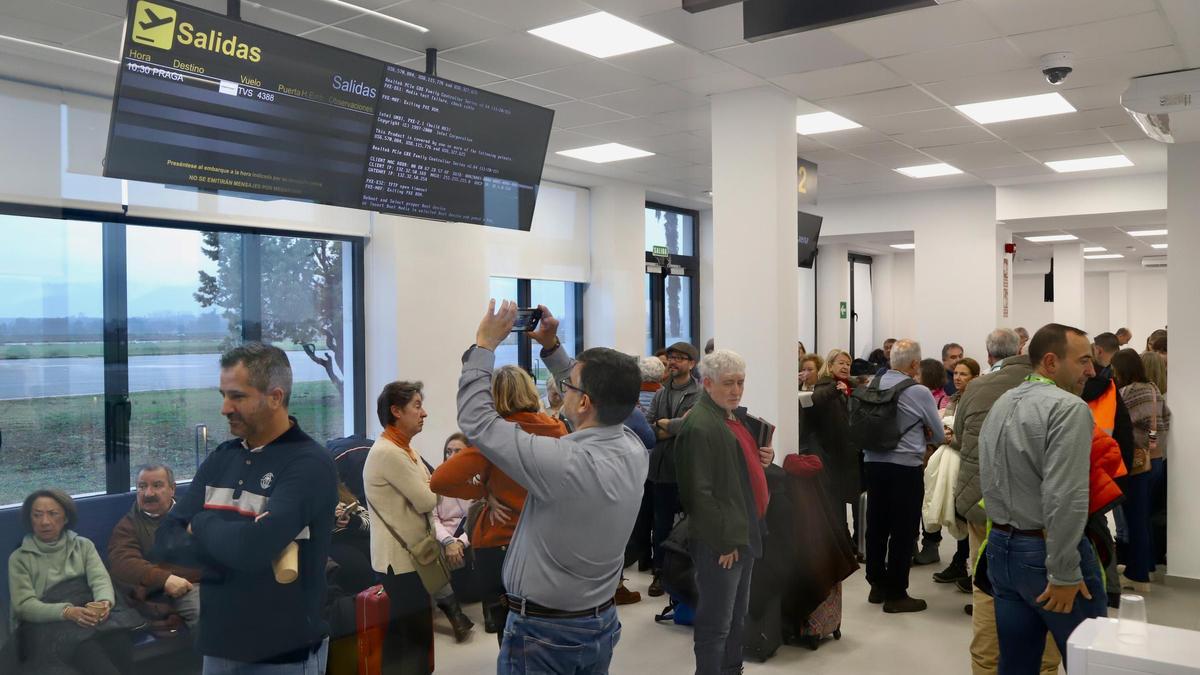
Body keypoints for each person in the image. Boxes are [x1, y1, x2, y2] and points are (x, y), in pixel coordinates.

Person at [458, 300, 646, 674]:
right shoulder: (633, 447)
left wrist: (484, 347)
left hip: (544, 634)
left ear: (585, 401)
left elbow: (476, 420)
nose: (563, 391)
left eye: (570, 387)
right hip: (598, 622)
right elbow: (597, 402)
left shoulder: (562, 464)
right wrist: (552, 348)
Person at [154, 342, 337, 673]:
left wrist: (202, 524)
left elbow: (252, 550)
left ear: (275, 397)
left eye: (237, 396)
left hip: (284, 653)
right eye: (222, 395)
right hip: (218, 645)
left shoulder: (309, 464)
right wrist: (237, 541)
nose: (225, 408)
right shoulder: (222, 458)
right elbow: (167, 541)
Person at [979, 323, 1107, 673]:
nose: (1091, 371)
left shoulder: (1003, 402)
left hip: (1002, 552)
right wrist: (1064, 572)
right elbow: (1065, 496)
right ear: (1050, 362)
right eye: (1083, 360)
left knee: (1016, 664)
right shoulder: (1069, 408)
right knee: (1092, 661)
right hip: (1047, 555)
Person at [430, 368, 569, 641]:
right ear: (530, 391)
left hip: (501, 538)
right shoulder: (557, 429)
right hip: (548, 537)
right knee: (546, 621)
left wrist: (484, 490)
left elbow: (440, 480)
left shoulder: (494, 437)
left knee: (508, 629)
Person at [953, 329, 1061, 675]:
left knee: (986, 588)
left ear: (987, 356)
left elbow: (957, 431)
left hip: (981, 500)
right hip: (1037, 511)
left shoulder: (977, 387)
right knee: (1046, 594)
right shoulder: (1052, 388)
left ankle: (985, 668)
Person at [675, 349, 774, 675]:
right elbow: (698, 494)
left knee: (735, 617)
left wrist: (764, 458)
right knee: (716, 623)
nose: (736, 390)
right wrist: (724, 541)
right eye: (728, 383)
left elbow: (738, 468)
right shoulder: (701, 426)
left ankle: (732, 669)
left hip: (744, 530)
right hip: (723, 541)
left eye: (741, 383)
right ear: (707, 383)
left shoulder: (730, 418)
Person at [7, 489, 132, 675]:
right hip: (45, 621)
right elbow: (23, 605)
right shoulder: (20, 558)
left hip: (85, 610)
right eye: (37, 515)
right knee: (84, 646)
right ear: (29, 519)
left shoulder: (83, 546)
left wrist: (104, 602)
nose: (45, 522)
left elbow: (100, 579)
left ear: (65, 518)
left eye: (53, 513)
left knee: (119, 638)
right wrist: (66, 612)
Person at [363, 381, 440, 672]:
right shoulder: (388, 452)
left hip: (412, 558)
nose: (424, 413)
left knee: (410, 636)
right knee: (408, 639)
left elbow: (430, 486)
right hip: (400, 561)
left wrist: (433, 485)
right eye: (417, 406)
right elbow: (427, 499)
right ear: (396, 411)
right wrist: (435, 486)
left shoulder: (405, 449)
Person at [863, 339, 944, 613]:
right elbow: (940, 433)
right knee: (903, 530)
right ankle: (897, 593)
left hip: (873, 463)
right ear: (914, 364)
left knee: (876, 525)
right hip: (905, 468)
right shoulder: (918, 391)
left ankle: (876, 585)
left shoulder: (873, 383)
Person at [108, 464, 201, 633]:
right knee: (205, 612)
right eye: (142, 487)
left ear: (172, 489)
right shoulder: (128, 525)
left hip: (209, 580)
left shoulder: (194, 514)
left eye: (157, 486)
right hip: (172, 590)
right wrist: (164, 578)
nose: (148, 493)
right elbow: (122, 562)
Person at [645, 341, 702, 598]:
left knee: (692, 524)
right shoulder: (659, 393)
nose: (673, 362)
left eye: (679, 358)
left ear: (691, 363)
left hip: (688, 469)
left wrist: (666, 424)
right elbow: (648, 429)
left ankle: (688, 571)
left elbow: (693, 428)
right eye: (670, 357)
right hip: (661, 470)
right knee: (661, 525)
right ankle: (660, 573)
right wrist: (673, 426)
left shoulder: (700, 394)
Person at [1111, 349, 1171, 593]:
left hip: (1135, 462)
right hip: (1155, 461)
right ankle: (1146, 567)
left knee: (1134, 518)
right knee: (1143, 517)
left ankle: (1138, 577)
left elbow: (1121, 425)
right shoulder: (1154, 389)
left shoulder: (1129, 392)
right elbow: (1165, 419)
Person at [930, 357, 980, 587]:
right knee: (958, 511)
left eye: (964, 374)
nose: (958, 378)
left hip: (968, 463)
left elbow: (971, 435)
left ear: (975, 378)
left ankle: (968, 567)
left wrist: (951, 439)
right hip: (953, 460)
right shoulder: (953, 398)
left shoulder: (976, 400)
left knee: (966, 514)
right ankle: (960, 562)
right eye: (956, 374)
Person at [806, 349, 861, 543]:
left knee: (857, 500)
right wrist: (835, 390)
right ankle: (843, 540)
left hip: (853, 452)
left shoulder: (853, 386)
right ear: (830, 366)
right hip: (833, 454)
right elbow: (816, 400)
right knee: (837, 501)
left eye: (848, 364)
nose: (845, 367)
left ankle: (859, 540)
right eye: (841, 363)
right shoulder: (824, 386)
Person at [430, 433, 476, 643]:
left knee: (479, 518)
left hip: (469, 537)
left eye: (458, 451)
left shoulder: (478, 479)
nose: (452, 455)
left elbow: (476, 519)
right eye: (449, 451)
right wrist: (449, 542)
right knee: (429, 550)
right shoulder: (437, 479)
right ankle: (456, 617)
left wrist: (460, 542)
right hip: (445, 537)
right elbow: (433, 519)